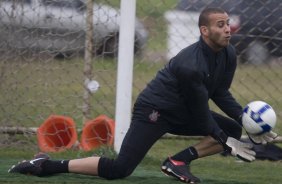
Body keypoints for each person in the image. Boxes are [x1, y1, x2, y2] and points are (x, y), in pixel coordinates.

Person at [9, 7, 277, 183]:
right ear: (205, 31)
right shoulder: (189, 65)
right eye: (221, 25)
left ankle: (177, 161)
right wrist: (230, 142)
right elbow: (202, 115)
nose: (228, 29)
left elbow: (219, 92)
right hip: (155, 111)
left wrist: (246, 120)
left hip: (184, 110)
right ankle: (48, 165)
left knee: (230, 126)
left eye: (228, 23)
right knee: (119, 170)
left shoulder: (228, 53)